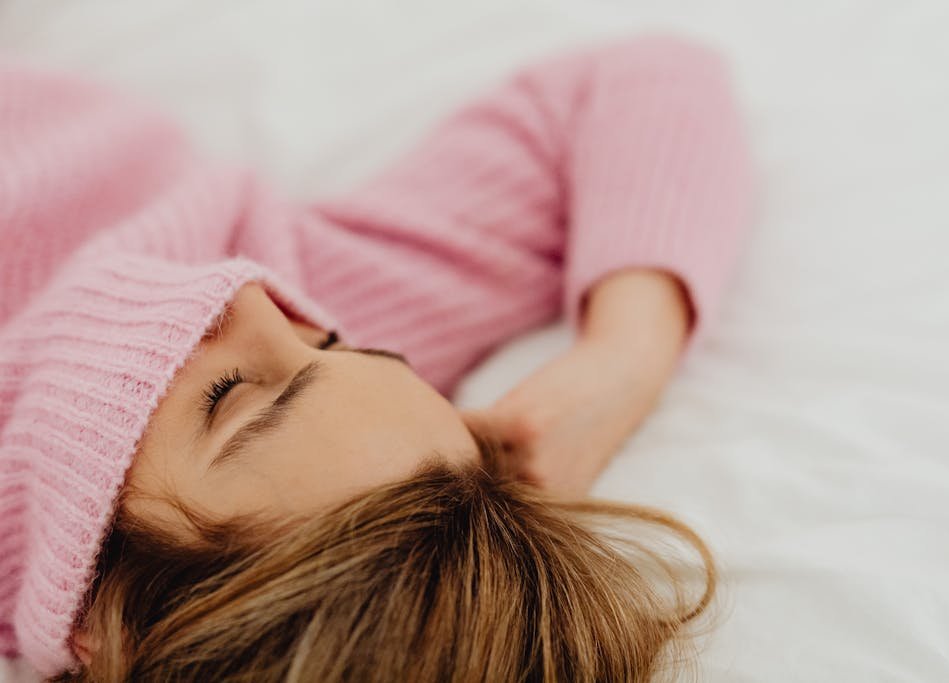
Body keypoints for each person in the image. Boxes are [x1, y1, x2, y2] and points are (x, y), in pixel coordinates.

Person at [0, 30, 754, 681]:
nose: (254, 297)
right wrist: (622, 359)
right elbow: (644, 80)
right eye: (332, 341)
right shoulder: (315, 288)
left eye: (226, 394)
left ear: (105, 615)